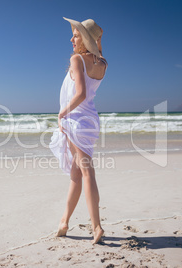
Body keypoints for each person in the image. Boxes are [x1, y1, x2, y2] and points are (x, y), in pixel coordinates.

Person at [49, 17, 107, 244]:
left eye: (76, 34)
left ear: (85, 38)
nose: (71, 38)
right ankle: (64, 222)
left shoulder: (77, 59)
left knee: (85, 172)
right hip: (89, 120)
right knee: (77, 173)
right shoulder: (102, 62)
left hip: (76, 121)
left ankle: (97, 226)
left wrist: (62, 113)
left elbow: (80, 93)